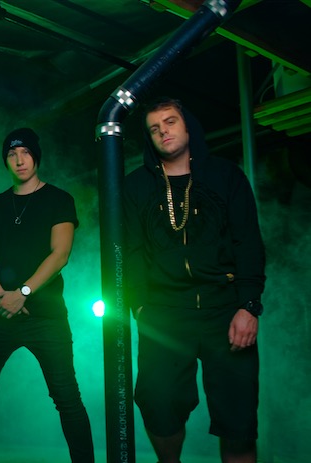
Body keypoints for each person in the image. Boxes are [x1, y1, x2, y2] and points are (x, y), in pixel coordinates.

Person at [123, 97, 265, 463]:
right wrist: (140, 307)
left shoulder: (225, 175)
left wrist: (249, 306)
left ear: (188, 126)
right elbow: (131, 251)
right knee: (157, 403)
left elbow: (248, 242)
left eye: (170, 122)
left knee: (238, 418)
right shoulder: (136, 186)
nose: (163, 132)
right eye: (154, 128)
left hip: (226, 309)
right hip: (165, 312)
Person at [0, 128, 95, 463]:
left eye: (25, 153)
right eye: (12, 155)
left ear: (36, 157)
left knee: (66, 397)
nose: (19, 160)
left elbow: (60, 254)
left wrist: (24, 293)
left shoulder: (59, 199)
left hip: (45, 318)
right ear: (6, 161)